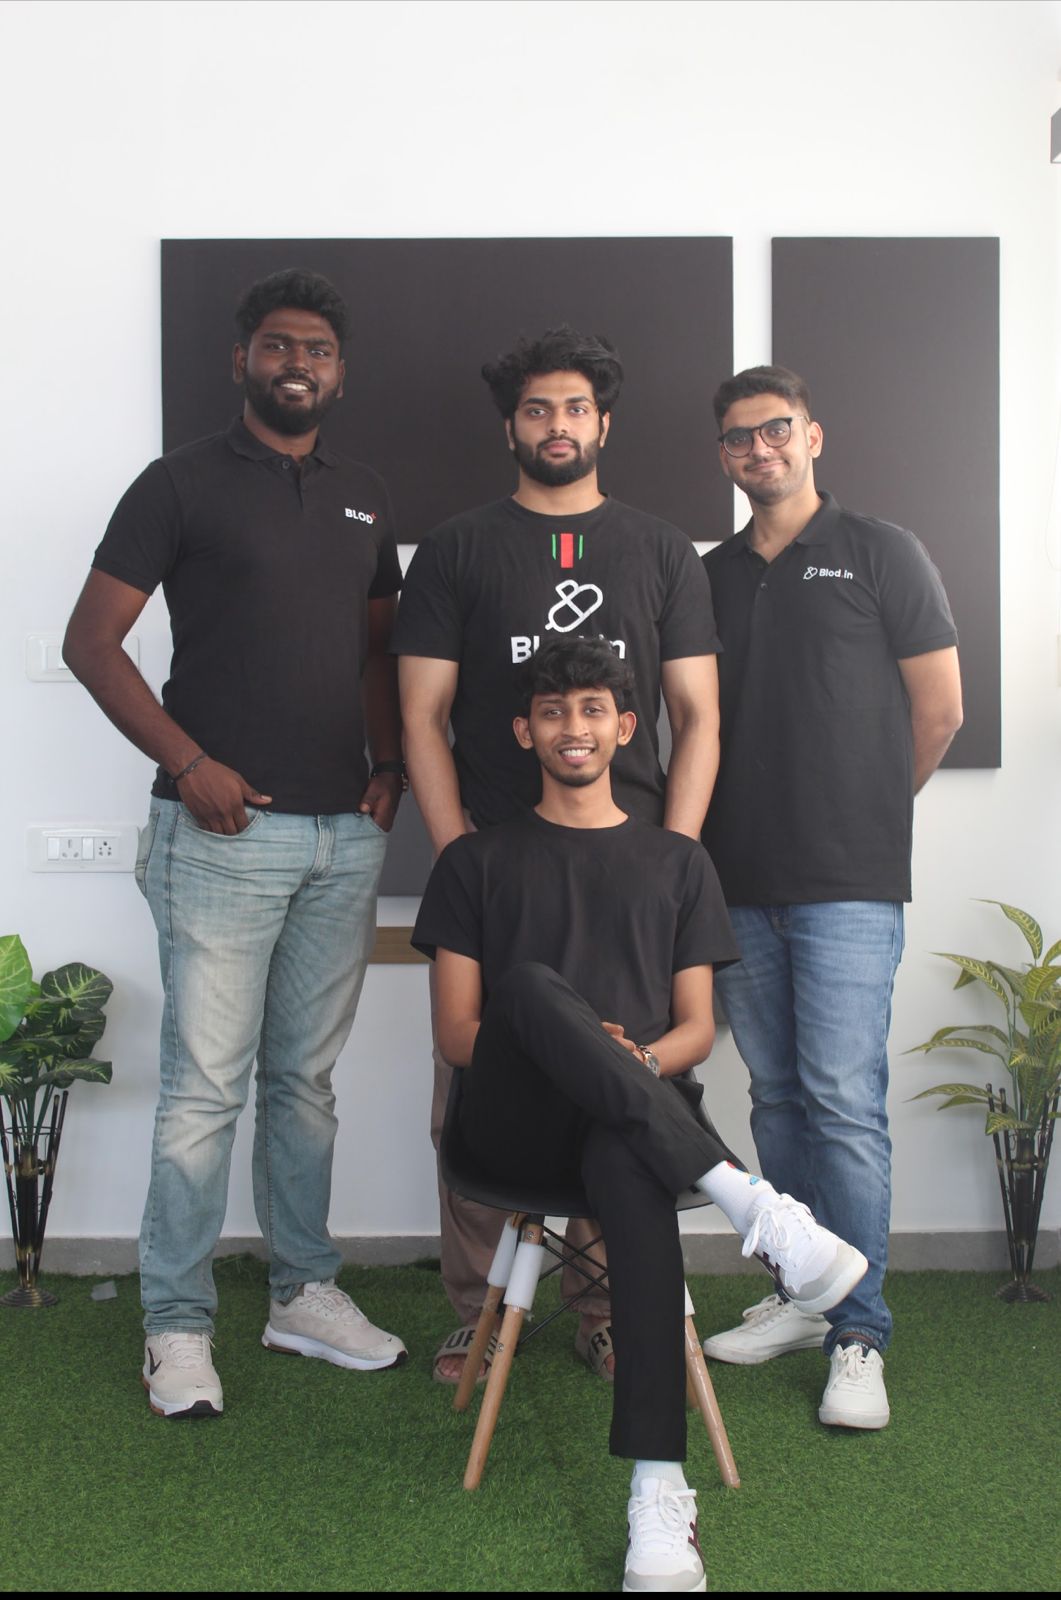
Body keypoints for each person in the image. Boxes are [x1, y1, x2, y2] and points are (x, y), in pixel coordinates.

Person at [413, 636, 867, 1592]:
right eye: (551, 712)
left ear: (624, 728)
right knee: (529, 990)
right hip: (513, 1126)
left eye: (591, 710)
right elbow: (457, 1034)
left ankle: (658, 1492)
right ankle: (748, 1200)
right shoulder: (474, 861)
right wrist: (580, 1044)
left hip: (634, 1126)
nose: (571, 728)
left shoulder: (677, 862)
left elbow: (695, 1029)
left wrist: (631, 1063)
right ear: (523, 731)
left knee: (630, 1159)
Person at [63, 268, 409, 1418]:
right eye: (276, 344)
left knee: (302, 1085)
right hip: (222, 832)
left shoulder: (364, 496)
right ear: (240, 360)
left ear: (340, 371)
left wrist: (389, 766)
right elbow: (92, 642)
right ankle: (175, 1320)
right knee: (205, 1090)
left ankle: (302, 1290)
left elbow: (376, 649)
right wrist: (186, 761)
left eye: (317, 347)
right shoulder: (178, 483)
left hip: (341, 835)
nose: (296, 362)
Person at [394, 327, 723, 1383]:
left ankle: (607, 1307)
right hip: (502, 862)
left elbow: (696, 716)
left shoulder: (661, 550)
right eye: (537, 408)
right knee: (479, 1077)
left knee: (619, 1071)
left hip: (630, 867)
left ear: (602, 424)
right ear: (510, 426)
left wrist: (667, 863)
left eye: (575, 407)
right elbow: (421, 716)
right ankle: (479, 1311)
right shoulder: (455, 549)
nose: (556, 425)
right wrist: (461, 857)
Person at [700, 365, 963, 1429]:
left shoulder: (881, 551)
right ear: (722, 456)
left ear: (811, 436)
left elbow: (939, 711)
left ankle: (858, 1331)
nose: (757, 449)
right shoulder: (708, 575)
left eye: (775, 429)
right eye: (737, 437)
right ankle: (801, 1295)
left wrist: (860, 811)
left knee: (842, 1102)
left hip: (848, 883)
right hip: (733, 878)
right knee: (773, 1097)